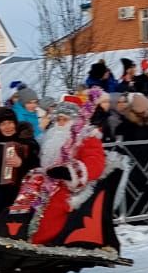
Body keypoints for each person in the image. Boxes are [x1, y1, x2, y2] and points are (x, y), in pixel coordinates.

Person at [10, 100, 107, 242]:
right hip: (46, 178)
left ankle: (39, 240)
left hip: (69, 185)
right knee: (26, 193)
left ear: (75, 121)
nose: (61, 123)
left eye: (65, 119)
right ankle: (16, 230)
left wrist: (69, 171)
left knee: (53, 206)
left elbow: (95, 162)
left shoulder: (87, 137)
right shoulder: (49, 136)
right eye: (58, 119)